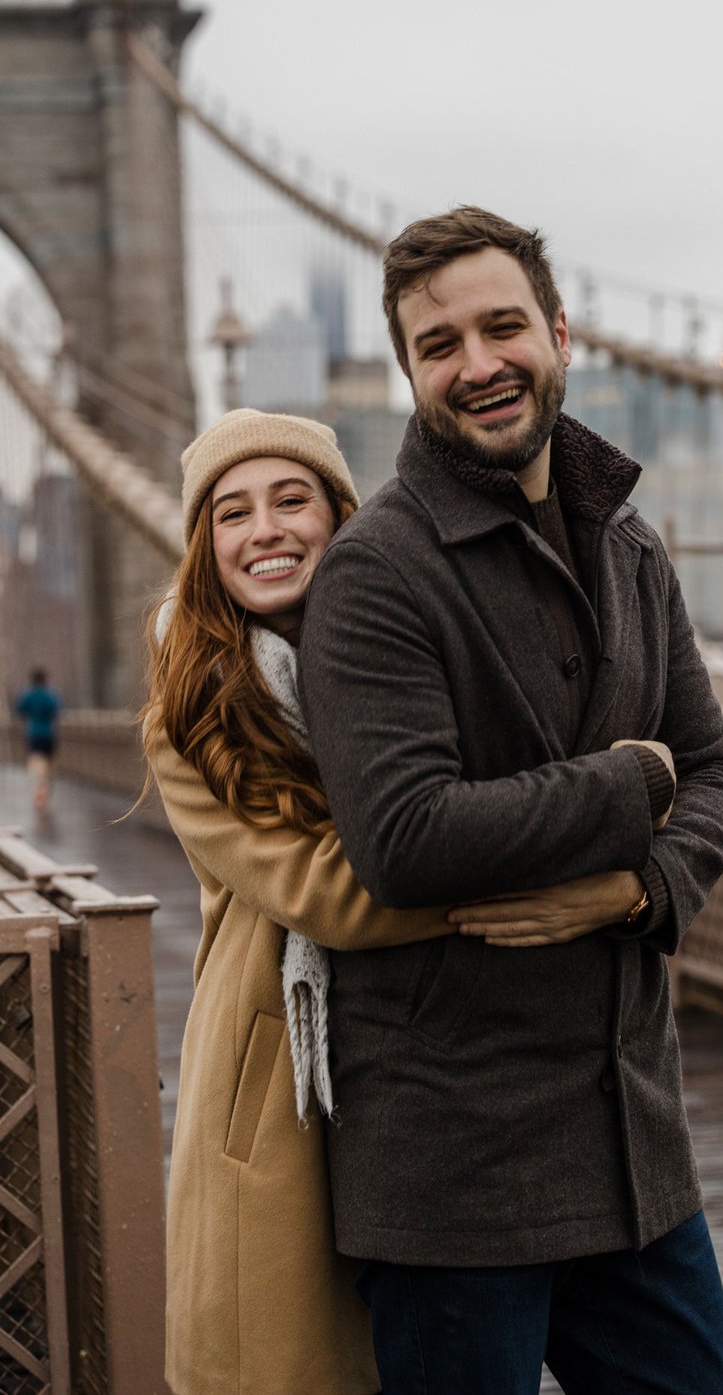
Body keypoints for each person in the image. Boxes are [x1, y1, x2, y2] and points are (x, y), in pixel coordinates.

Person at [298, 206, 723, 1395]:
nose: (479, 364)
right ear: (410, 373)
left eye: (503, 327)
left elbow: (720, 771)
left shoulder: (630, 546)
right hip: (457, 1180)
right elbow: (404, 837)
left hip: (637, 1154)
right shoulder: (372, 574)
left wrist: (636, 887)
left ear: (560, 332)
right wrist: (630, 782)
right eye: (439, 344)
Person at [141, 406, 631, 1395]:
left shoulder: (417, 645)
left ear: (341, 517)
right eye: (231, 513)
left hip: (454, 1086)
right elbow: (329, 893)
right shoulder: (189, 713)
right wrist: (573, 862)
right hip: (291, 1080)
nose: (265, 530)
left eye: (292, 500)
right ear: (204, 547)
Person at [16, 667, 61, 807]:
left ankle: (41, 786)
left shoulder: (27, 694)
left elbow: (19, 709)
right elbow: (56, 709)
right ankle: (46, 787)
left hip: (33, 733)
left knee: (37, 761)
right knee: (50, 763)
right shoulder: (49, 694)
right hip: (49, 733)